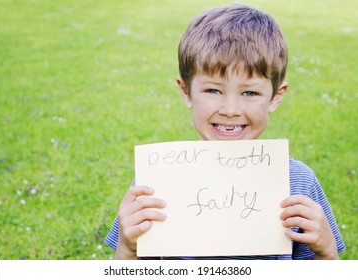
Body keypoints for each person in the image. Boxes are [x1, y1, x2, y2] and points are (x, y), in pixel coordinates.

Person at [104, 3, 345, 260]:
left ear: (275, 97)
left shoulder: (299, 182)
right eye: (213, 90)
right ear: (186, 91)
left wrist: (326, 251)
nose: (230, 109)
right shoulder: (154, 184)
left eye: (250, 92)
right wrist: (128, 248)